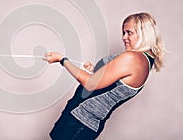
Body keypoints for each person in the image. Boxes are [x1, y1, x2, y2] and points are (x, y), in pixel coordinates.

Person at [43, 12, 166, 140]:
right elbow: (111, 81)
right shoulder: (144, 60)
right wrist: (95, 70)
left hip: (81, 121)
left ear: (144, 33)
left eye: (129, 33)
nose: (124, 37)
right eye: (123, 33)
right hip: (81, 117)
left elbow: (91, 84)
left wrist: (62, 60)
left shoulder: (132, 58)